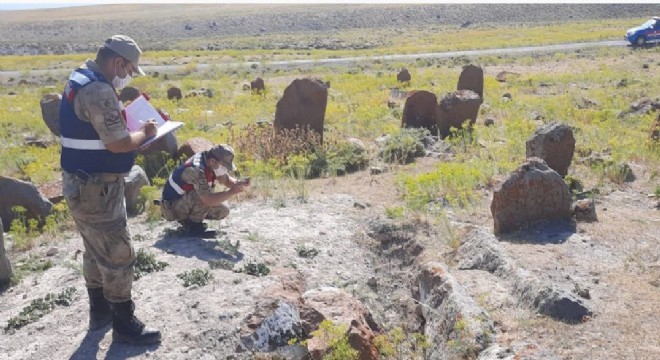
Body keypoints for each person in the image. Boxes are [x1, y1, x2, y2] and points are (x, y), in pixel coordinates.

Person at [59, 35, 160, 345]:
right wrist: (143, 133)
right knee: (118, 253)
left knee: (94, 248)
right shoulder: (99, 89)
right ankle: (124, 324)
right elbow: (116, 143)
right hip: (97, 189)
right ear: (118, 62)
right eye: (129, 69)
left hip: (80, 183)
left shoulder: (81, 76)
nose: (127, 75)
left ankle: (99, 312)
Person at [160, 144, 249, 237]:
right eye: (224, 166)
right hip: (170, 208)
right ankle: (194, 228)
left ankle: (188, 222)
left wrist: (239, 183)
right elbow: (208, 200)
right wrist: (231, 192)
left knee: (223, 210)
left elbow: (226, 179)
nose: (225, 169)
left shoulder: (210, 161)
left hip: (183, 201)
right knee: (202, 197)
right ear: (213, 161)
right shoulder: (197, 170)